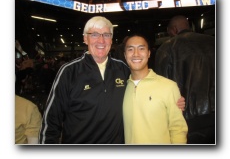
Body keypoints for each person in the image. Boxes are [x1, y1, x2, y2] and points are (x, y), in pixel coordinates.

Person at [39, 16, 185, 144]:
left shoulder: (122, 69)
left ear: (111, 40)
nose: (101, 40)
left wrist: (172, 99)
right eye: (95, 34)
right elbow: (51, 121)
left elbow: (143, 85)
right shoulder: (69, 72)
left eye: (106, 35)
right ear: (85, 38)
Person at [155, 15, 215, 144]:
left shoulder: (167, 48)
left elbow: (160, 85)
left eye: (169, 31)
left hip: (189, 118)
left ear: (174, 29)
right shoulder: (214, 42)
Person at [123, 34, 188, 144]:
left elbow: (178, 129)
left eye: (141, 48)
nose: (136, 54)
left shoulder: (169, 86)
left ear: (148, 53)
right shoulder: (122, 88)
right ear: (125, 55)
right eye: (130, 49)